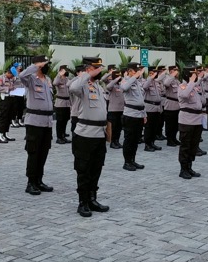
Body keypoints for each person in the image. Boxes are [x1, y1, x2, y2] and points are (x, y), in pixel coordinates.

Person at [69, 56, 110, 217]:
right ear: (89, 69)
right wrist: (87, 74)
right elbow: (72, 88)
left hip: (99, 135)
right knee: (84, 170)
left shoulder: (98, 87)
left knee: (96, 169)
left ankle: (92, 199)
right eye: (97, 68)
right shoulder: (82, 85)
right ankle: (83, 202)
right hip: (85, 135)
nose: (100, 70)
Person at [18, 56, 56, 195]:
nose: (47, 67)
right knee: (33, 153)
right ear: (38, 65)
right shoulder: (31, 79)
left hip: (47, 122)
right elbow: (21, 75)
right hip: (34, 122)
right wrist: (36, 66)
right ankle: (31, 182)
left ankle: (39, 180)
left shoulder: (48, 80)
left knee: (43, 153)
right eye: (45, 64)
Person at [177, 65, 203, 179]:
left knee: (194, 145)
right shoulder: (182, 86)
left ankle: (189, 167)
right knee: (185, 146)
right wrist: (191, 82)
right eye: (194, 74)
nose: (195, 76)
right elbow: (184, 95)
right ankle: (183, 169)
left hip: (197, 120)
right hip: (187, 120)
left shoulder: (195, 87)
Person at [120, 62, 146, 171]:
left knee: (136, 140)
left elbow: (141, 100)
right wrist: (133, 77)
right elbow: (124, 88)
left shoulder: (138, 82)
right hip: (130, 115)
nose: (139, 72)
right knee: (129, 140)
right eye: (137, 70)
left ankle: (132, 160)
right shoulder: (126, 80)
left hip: (139, 114)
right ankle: (127, 162)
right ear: (130, 71)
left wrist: (144, 114)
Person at [0, 65, 18, 143]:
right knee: (3, 117)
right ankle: (0, 135)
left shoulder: (12, 79)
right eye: (12, 75)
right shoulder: (1, 78)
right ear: (8, 72)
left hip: (11, 98)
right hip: (4, 99)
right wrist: (7, 89)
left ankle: (5, 133)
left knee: (9, 117)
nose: (12, 77)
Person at [142, 67, 164, 152]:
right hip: (150, 108)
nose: (156, 74)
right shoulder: (146, 81)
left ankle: (152, 142)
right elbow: (144, 87)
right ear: (150, 73)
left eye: (156, 72)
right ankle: (147, 144)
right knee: (149, 127)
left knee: (155, 127)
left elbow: (161, 92)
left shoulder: (156, 82)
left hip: (157, 108)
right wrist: (150, 78)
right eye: (154, 72)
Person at [161, 65, 181, 147]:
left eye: (177, 70)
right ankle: (169, 140)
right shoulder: (168, 78)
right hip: (170, 105)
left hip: (177, 105)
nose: (177, 72)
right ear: (171, 71)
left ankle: (174, 138)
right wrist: (172, 75)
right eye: (175, 70)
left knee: (176, 124)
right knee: (170, 124)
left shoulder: (177, 81)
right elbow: (166, 83)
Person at [54, 65, 72, 144]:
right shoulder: (58, 78)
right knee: (60, 121)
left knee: (65, 120)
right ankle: (59, 137)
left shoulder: (67, 79)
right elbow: (55, 83)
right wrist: (59, 75)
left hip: (67, 103)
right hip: (60, 103)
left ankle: (63, 135)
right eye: (65, 70)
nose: (66, 71)